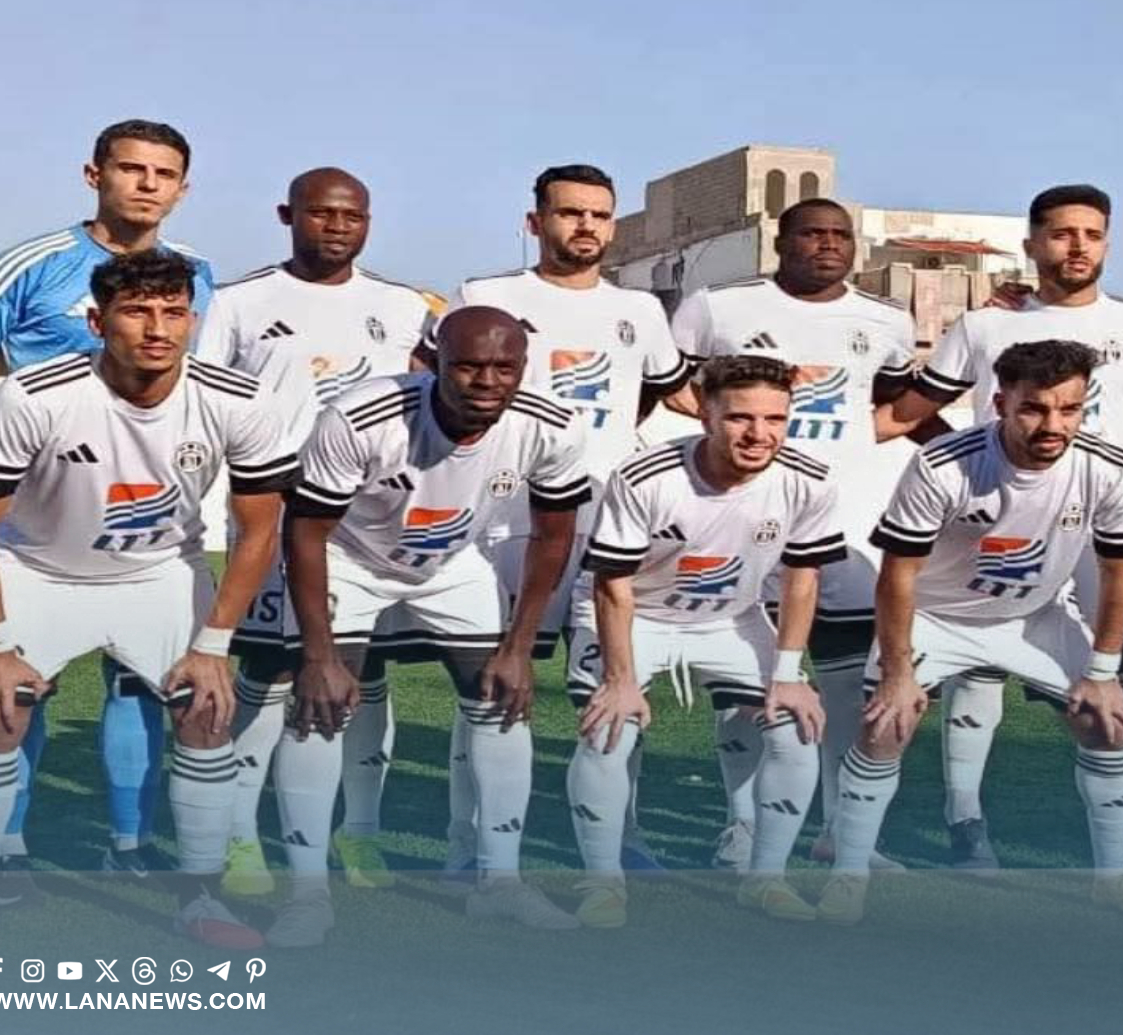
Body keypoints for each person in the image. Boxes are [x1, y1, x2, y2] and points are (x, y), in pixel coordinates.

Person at [0, 251, 294, 954]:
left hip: (158, 575)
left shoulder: (238, 398)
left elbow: (259, 530)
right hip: (37, 571)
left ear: (193, 320)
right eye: (137, 311)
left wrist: (213, 646)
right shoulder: (35, 394)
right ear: (98, 322)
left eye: (174, 312)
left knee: (206, 713)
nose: (158, 329)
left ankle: (201, 899)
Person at [878, 184, 1123, 873]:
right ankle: (966, 822)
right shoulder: (984, 326)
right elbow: (904, 413)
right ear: (1033, 244)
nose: (1078, 246)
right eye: (1062, 233)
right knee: (980, 672)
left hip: (1113, 526)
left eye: (1092, 234)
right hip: (1006, 521)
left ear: (1108, 242)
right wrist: (961, 464)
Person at [0, 119, 216, 888]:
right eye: (131, 168)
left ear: (182, 189)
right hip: (41, 524)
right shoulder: (33, 262)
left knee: (146, 685)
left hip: (147, 517)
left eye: (163, 174)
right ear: (94, 175)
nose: (147, 184)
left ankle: (129, 844)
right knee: (17, 689)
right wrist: (18, 445)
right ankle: (6, 851)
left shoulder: (196, 275)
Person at [818, 339, 1123, 925]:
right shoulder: (943, 464)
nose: (1053, 425)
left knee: (1107, 725)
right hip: (937, 617)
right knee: (886, 725)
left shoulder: (1110, 468)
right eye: (1034, 408)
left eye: (1070, 409)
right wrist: (898, 672)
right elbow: (898, 576)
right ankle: (848, 875)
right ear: (1001, 403)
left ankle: (1115, 882)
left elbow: (1121, 574)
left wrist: (1104, 673)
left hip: (1033, 618)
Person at [279, 306, 589, 942]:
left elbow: (554, 536)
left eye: (504, 368)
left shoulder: (552, 424)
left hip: (451, 563)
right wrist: (318, 657)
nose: (487, 382)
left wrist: (518, 647)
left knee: (501, 701)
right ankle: (306, 896)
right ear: (431, 362)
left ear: (523, 368)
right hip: (348, 559)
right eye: (468, 366)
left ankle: (500, 883)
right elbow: (305, 532)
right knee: (319, 710)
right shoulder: (360, 417)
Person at [190, 166, 446, 897]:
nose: (337, 227)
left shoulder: (403, 307)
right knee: (270, 674)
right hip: (275, 516)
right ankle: (240, 837)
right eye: (321, 213)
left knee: (365, 675)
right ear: (288, 215)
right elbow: (205, 400)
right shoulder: (239, 301)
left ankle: (358, 832)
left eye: (352, 216)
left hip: (371, 526)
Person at [435, 164, 690, 876]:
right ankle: (468, 843)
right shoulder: (486, 296)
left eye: (599, 215)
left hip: (609, 521)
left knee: (616, 683)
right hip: (505, 521)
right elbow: (437, 382)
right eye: (570, 212)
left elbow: (656, 395)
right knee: (489, 685)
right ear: (535, 221)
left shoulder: (639, 311)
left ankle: (622, 836)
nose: (586, 226)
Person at [665, 197, 917, 872]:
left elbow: (892, 407)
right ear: (781, 241)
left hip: (845, 527)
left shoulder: (888, 321)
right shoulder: (718, 307)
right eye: (812, 233)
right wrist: (727, 441)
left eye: (840, 235)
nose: (828, 245)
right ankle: (742, 825)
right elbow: (671, 385)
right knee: (743, 685)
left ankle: (839, 829)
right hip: (743, 524)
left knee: (845, 686)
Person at [567, 355, 842, 926]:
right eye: (740, 418)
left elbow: (802, 579)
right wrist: (620, 680)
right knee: (608, 730)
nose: (759, 434)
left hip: (730, 619)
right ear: (705, 415)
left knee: (796, 728)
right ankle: (602, 885)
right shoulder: (644, 477)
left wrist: (788, 675)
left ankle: (765, 880)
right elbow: (612, 584)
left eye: (775, 419)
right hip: (636, 615)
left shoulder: (808, 479)